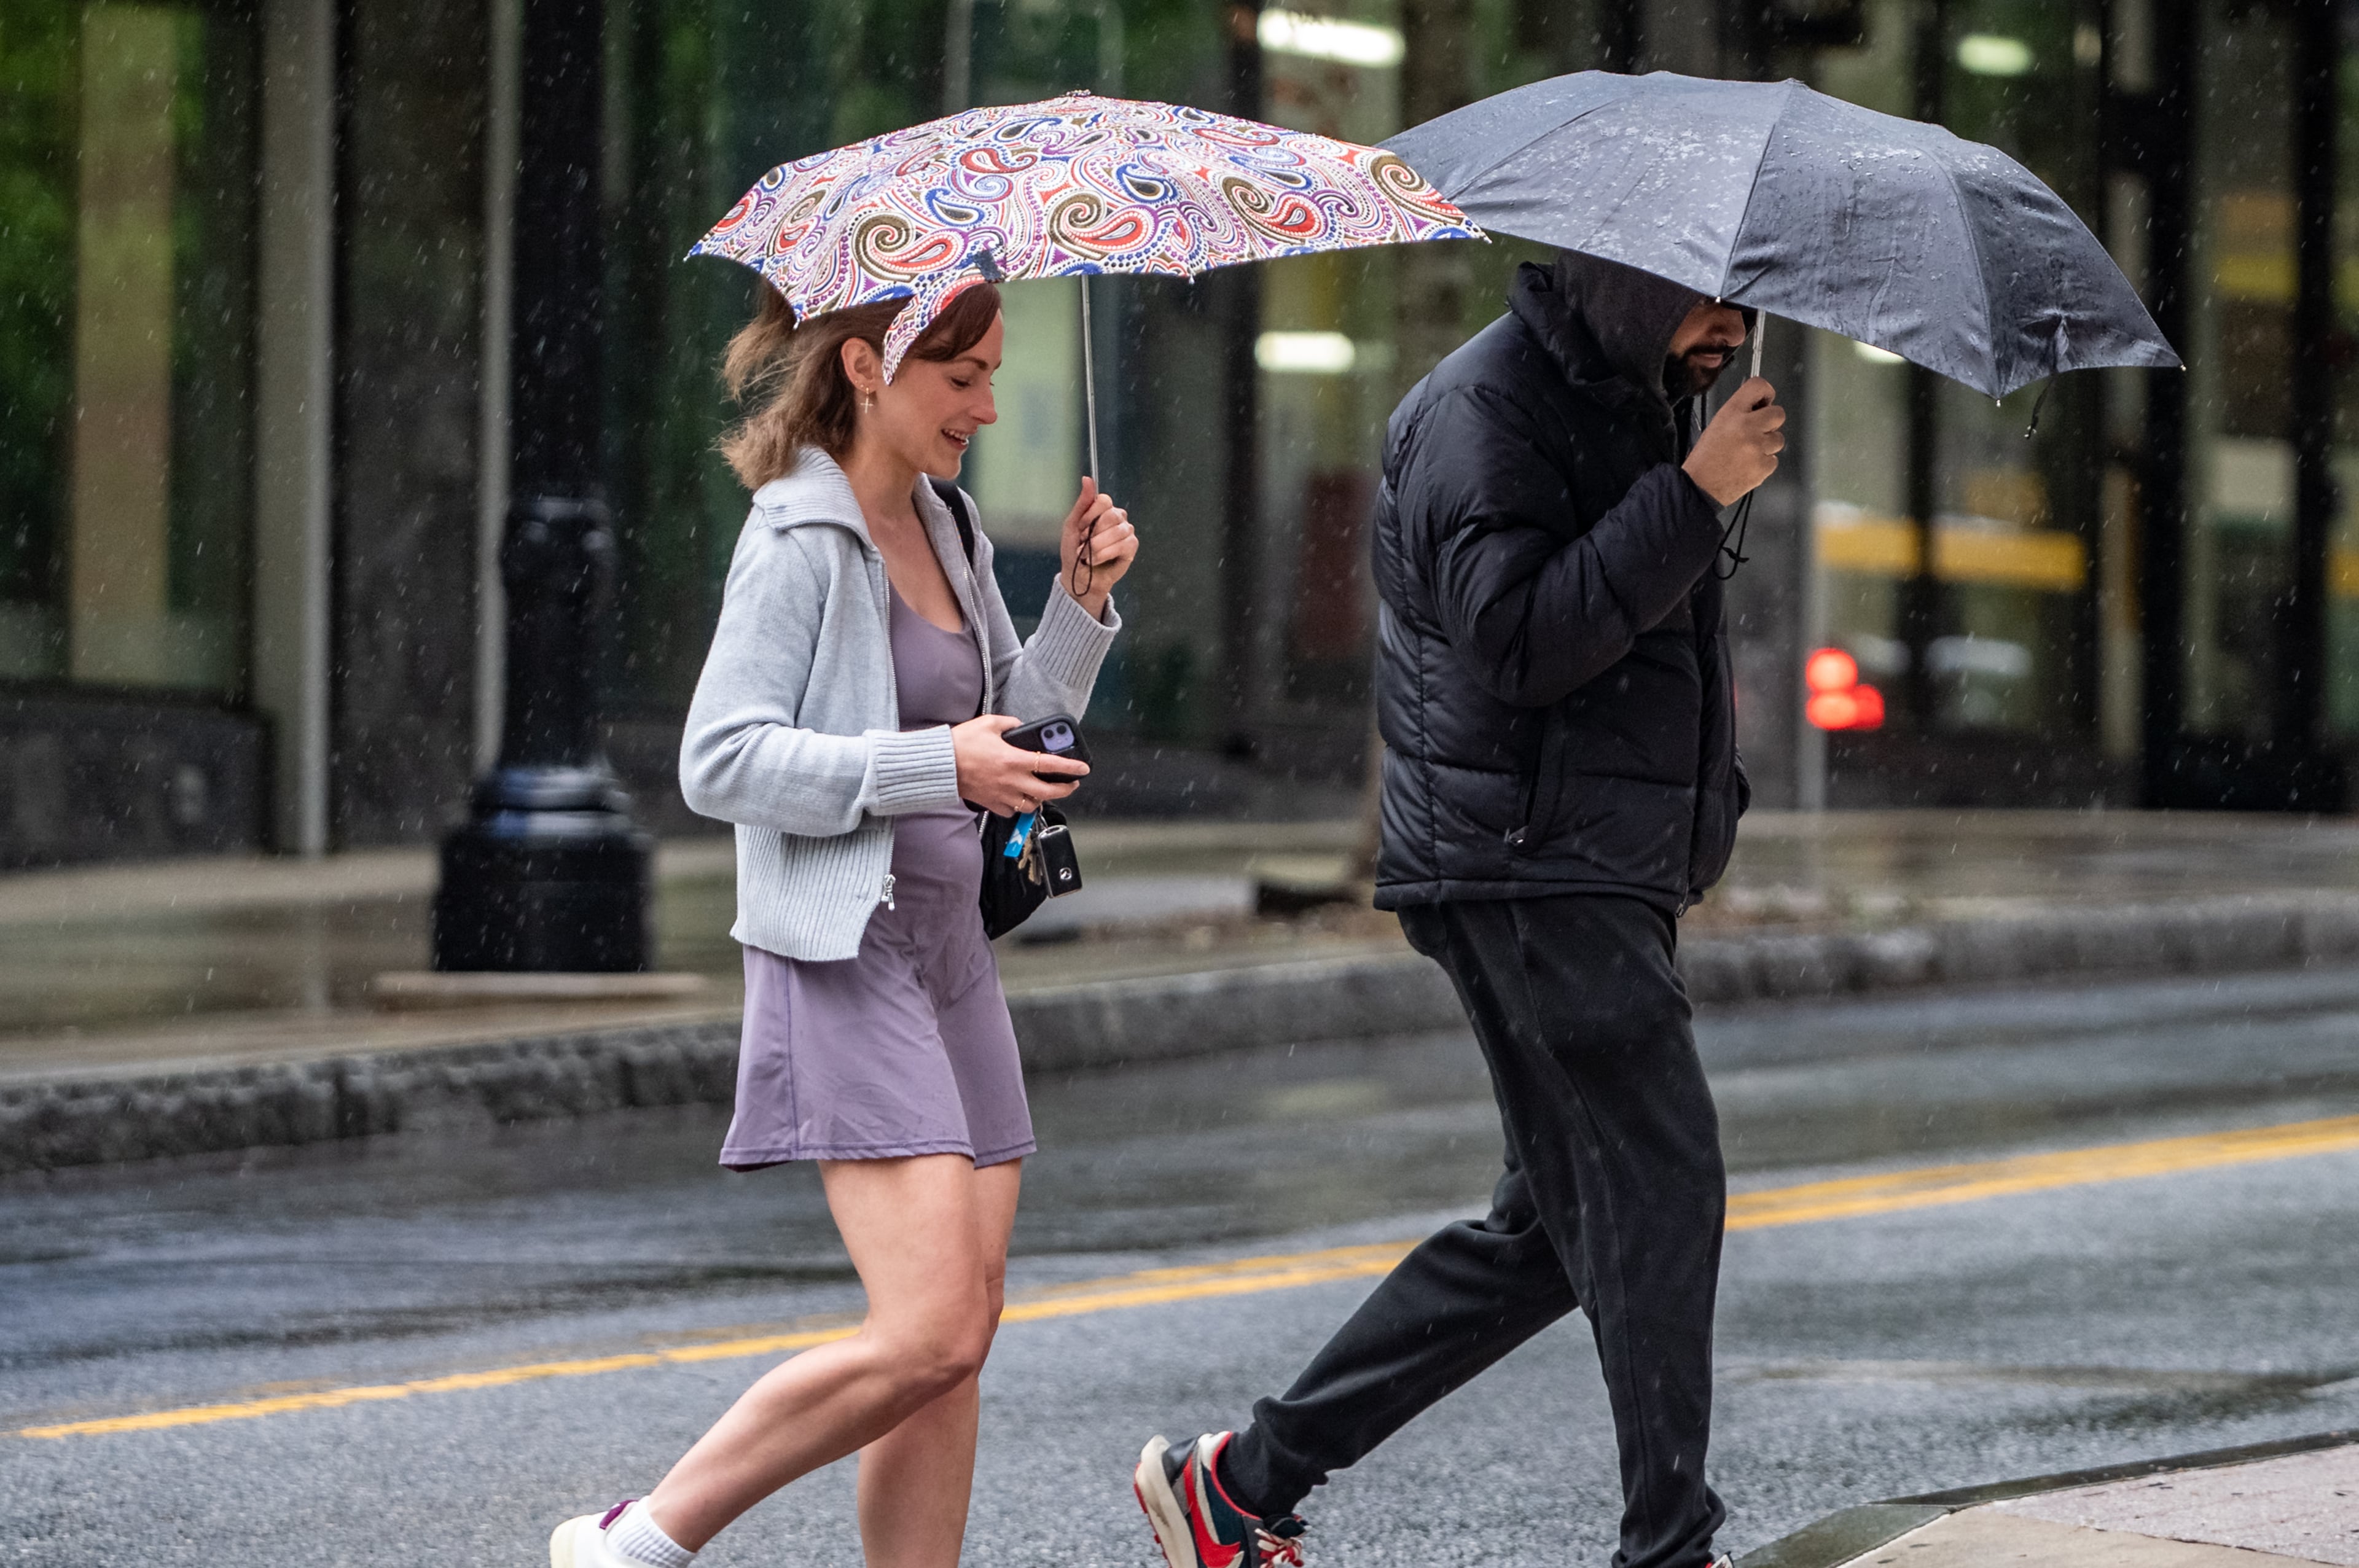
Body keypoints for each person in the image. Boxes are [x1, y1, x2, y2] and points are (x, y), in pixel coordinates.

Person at [1130, 251, 1783, 1568]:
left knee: (1555, 1232)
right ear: (1624, 282)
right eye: (1706, 297)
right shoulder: (1479, 410)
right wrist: (1694, 494)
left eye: (1744, 301)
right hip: (1529, 863)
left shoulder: (1631, 394)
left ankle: (1240, 1481)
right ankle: (1674, 1544)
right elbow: (1522, 641)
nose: (1730, 328)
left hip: (1595, 860)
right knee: (1662, 1184)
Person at [549, 276, 1137, 1568]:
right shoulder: (799, 537)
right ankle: (640, 1536)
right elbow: (722, 760)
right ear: (868, 368)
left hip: (949, 950)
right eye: (961, 375)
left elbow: (1014, 726)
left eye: (992, 374)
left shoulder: (949, 524)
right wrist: (937, 766)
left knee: (962, 1334)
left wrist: (1081, 606)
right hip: (843, 945)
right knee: (925, 1323)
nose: (986, 404)